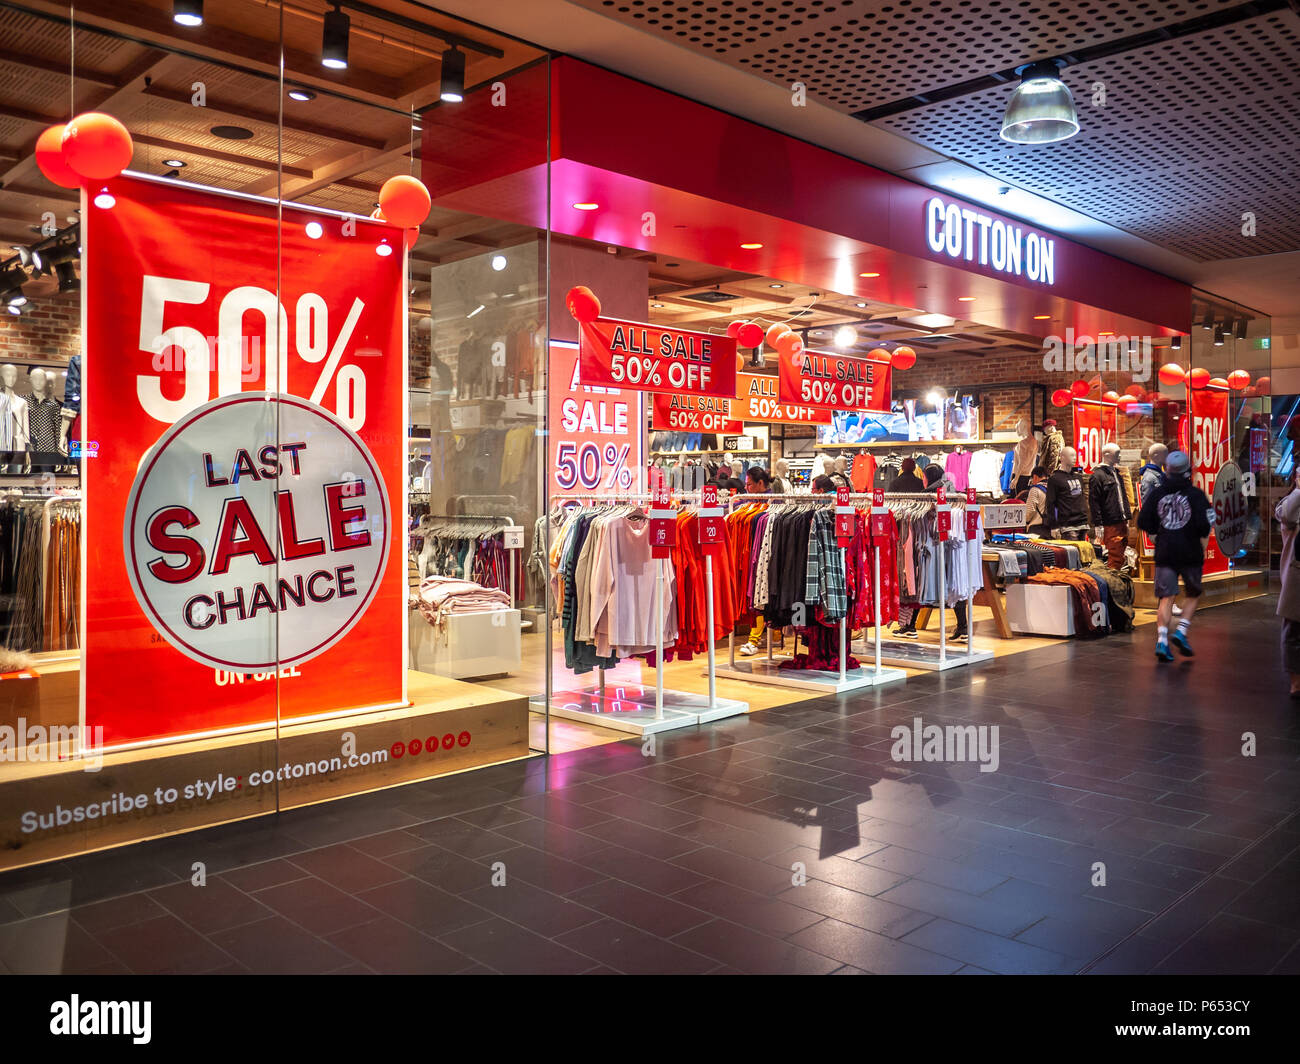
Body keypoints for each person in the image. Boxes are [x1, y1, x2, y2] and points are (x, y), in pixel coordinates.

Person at [1137, 450, 1213, 662]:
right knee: (1193, 593)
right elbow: (1205, 524)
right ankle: (1181, 631)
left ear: (1167, 470)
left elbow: (1143, 521)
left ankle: (1162, 640)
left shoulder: (1157, 494)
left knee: (1166, 597)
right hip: (1190, 552)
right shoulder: (1196, 495)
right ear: (1187, 470)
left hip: (1165, 551)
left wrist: (1159, 532)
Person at [923, 464, 968, 641]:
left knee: (933, 581)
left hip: (940, 544)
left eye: (925, 476)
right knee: (954, 582)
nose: (923, 480)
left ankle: (910, 626)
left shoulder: (931, 495)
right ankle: (962, 627)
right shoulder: (953, 492)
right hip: (953, 544)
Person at [1274, 467, 1300, 697]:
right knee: (1292, 629)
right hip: (1296, 575)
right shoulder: (1289, 505)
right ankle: (1295, 681)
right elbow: (1289, 515)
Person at [1090, 442, 1131, 571]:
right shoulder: (1098, 476)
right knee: (1115, 552)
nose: (1119, 457)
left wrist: (1127, 516)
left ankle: (1116, 577)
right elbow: (1094, 501)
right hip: (1110, 521)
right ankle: (1113, 580)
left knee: (1121, 550)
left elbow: (1122, 497)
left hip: (1120, 519)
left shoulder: (1116, 473)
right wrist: (1098, 524)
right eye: (1117, 454)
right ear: (1106, 455)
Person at [1043, 446, 1089, 539]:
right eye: (1072, 455)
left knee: (1084, 552)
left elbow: (1082, 498)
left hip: (1083, 523)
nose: (1075, 458)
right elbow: (1050, 503)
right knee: (1073, 552)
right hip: (1068, 526)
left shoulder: (1078, 477)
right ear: (1062, 457)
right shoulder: (1055, 479)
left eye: (1075, 455)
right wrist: (1053, 526)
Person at [1022, 466, 1048, 535]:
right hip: (1051, 529)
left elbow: (1030, 511)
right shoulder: (1053, 489)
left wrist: (1025, 521)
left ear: (1035, 476)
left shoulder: (1035, 490)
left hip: (1036, 529)